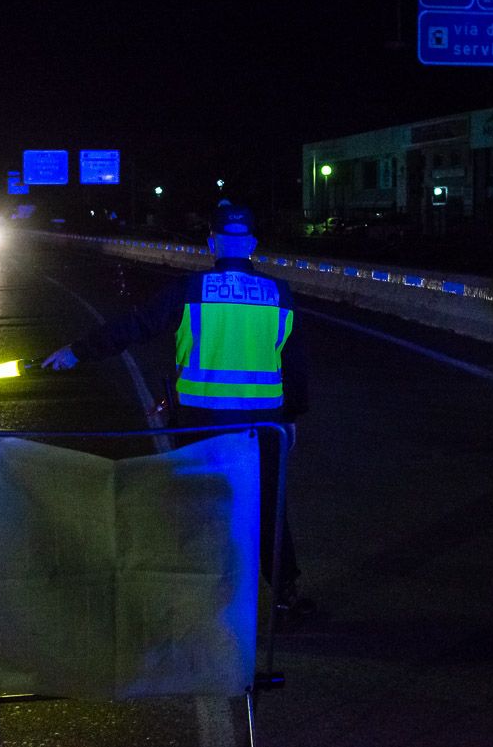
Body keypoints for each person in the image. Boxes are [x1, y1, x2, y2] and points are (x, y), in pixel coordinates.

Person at [42, 201, 315, 619]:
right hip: (264, 426)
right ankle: (286, 596)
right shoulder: (279, 294)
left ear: (212, 242)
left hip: (202, 423)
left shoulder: (190, 290)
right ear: (254, 244)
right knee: (267, 507)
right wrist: (292, 417)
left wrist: (77, 352)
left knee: (200, 505)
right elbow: (293, 363)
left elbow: (134, 326)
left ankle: (203, 598)